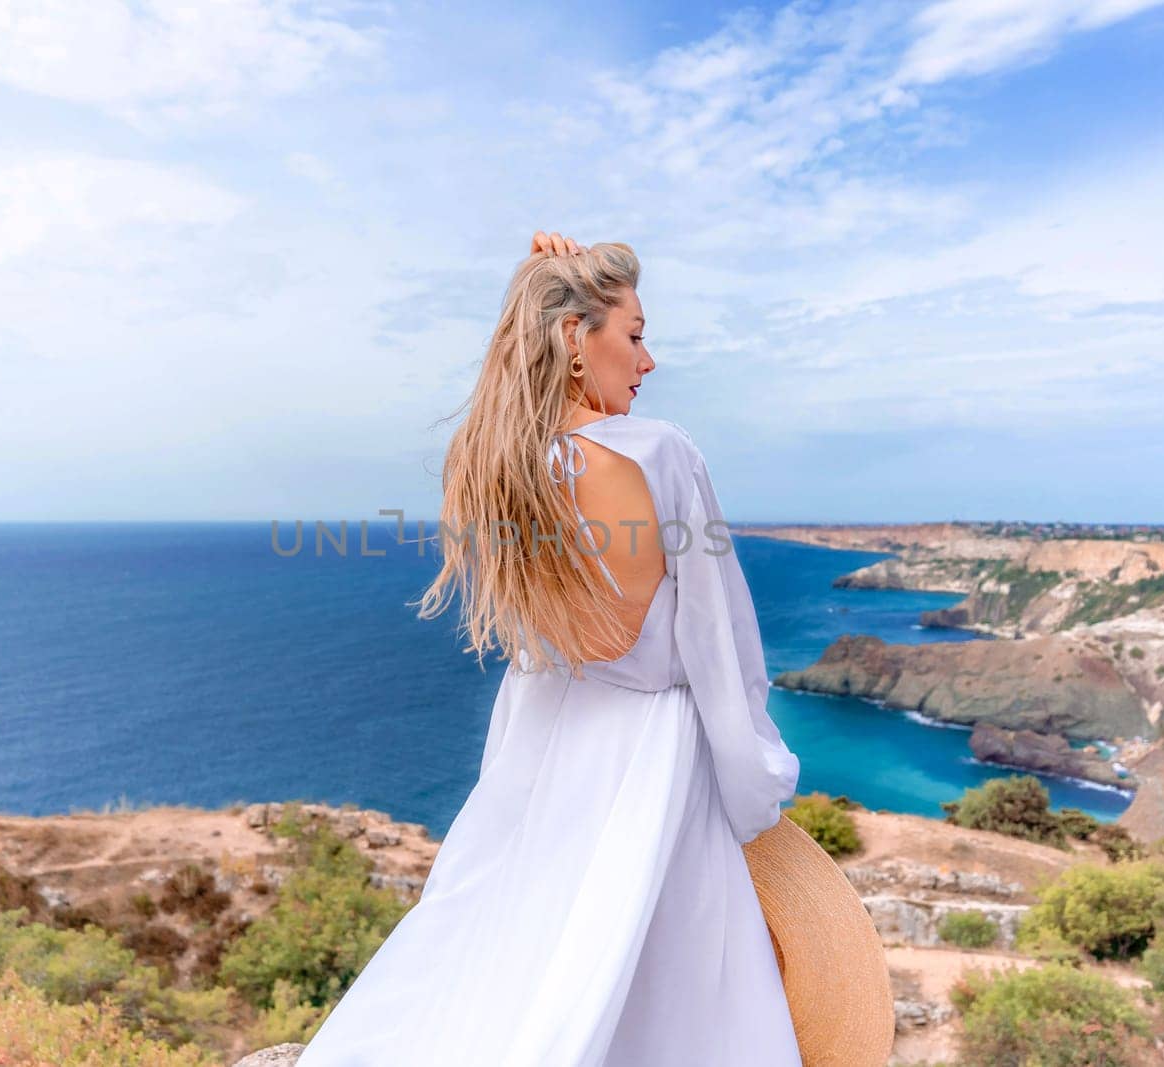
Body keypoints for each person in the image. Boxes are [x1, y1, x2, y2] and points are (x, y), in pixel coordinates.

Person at [295, 231, 804, 1066]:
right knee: (666, 998)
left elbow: (572, 643)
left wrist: (550, 274)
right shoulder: (661, 454)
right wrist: (755, 778)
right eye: (634, 334)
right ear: (576, 339)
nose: (649, 359)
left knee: (506, 956)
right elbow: (719, 642)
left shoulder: (506, 463)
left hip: (538, 752)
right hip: (651, 760)